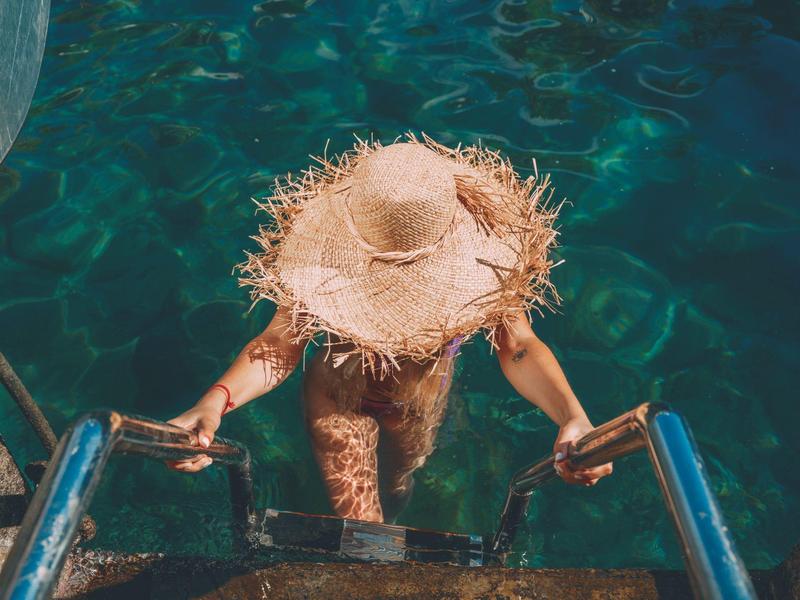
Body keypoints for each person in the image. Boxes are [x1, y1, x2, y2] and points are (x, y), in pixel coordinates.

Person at [166, 134, 612, 523]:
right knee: (365, 525)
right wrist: (214, 402)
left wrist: (571, 416)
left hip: (421, 400)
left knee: (399, 486)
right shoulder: (318, 265)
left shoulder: (487, 263)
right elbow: (281, 341)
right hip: (339, 399)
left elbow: (517, 345)